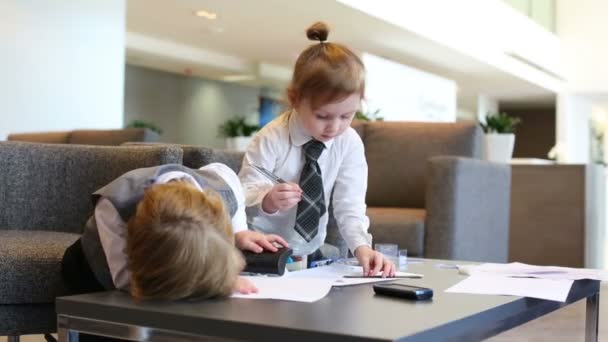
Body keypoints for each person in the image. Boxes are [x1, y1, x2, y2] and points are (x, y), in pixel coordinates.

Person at [239, 22, 395, 277]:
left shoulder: (349, 143)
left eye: (347, 115)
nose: (334, 127)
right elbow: (242, 193)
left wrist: (362, 247)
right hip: (261, 248)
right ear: (295, 100)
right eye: (323, 116)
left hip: (310, 251)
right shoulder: (270, 138)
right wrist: (266, 200)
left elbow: (349, 204)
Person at [61, 163, 288, 300]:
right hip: (94, 270)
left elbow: (233, 187)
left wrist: (239, 232)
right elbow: (128, 282)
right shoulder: (113, 207)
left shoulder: (223, 186)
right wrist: (215, 283)